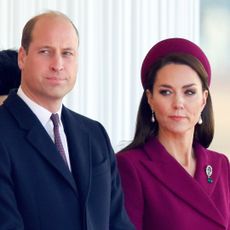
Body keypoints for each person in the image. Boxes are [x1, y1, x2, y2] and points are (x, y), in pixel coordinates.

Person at [0, 11, 134, 230]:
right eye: (46, 52)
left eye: (67, 53)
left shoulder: (94, 134)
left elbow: (118, 222)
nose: (58, 64)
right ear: (22, 57)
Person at [116, 38, 230, 230]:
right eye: (166, 92)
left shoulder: (220, 165)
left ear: (203, 99)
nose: (178, 103)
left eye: (189, 92)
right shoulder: (129, 166)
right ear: (150, 98)